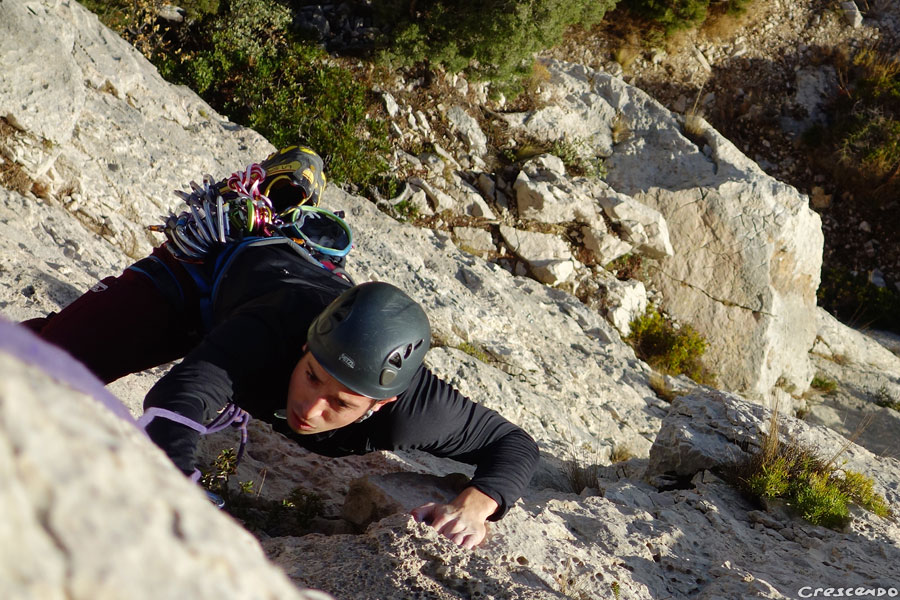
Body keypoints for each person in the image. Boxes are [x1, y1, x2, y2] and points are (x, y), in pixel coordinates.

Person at [22, 146, 539, 549]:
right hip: (203, 277)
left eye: (340, 403)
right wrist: (178, 486)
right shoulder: (275, 332)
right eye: (312, 375)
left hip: (290, 280)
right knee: (42, 363)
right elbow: (181, 394)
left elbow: (514, 445)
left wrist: (477, 503)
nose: (310, 408)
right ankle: (279, 195)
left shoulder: (414, 409)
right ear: (306, 347)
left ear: (381, 405)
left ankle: (293, 201)